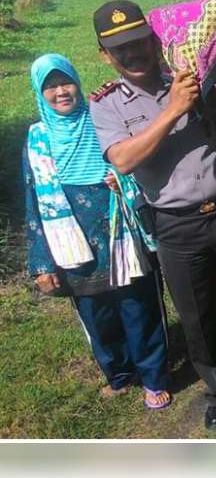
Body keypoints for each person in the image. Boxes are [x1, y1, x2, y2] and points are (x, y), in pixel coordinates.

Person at [88, 0, 216, 436]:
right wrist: (173, 110)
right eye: (120, 48)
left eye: (139, 41)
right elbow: (123, 159)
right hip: (177, 225)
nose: (134, 52)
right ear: (105, 55)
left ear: (155, 38)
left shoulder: (194, 76)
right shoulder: (106, 105)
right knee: (199, 320)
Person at [24, 53, 170, 409]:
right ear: (39, 93)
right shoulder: (38, 138)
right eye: (50, 86)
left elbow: (137, 157)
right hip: (73, 237)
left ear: (77, 82)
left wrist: (122, 179)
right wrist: (41, 262)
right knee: (97, 315)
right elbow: (34, 200)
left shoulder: (102, 115)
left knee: (138, 306)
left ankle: (153, 377)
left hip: (119, 225)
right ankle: (119, 375)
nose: (61, 92)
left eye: (66, 82)